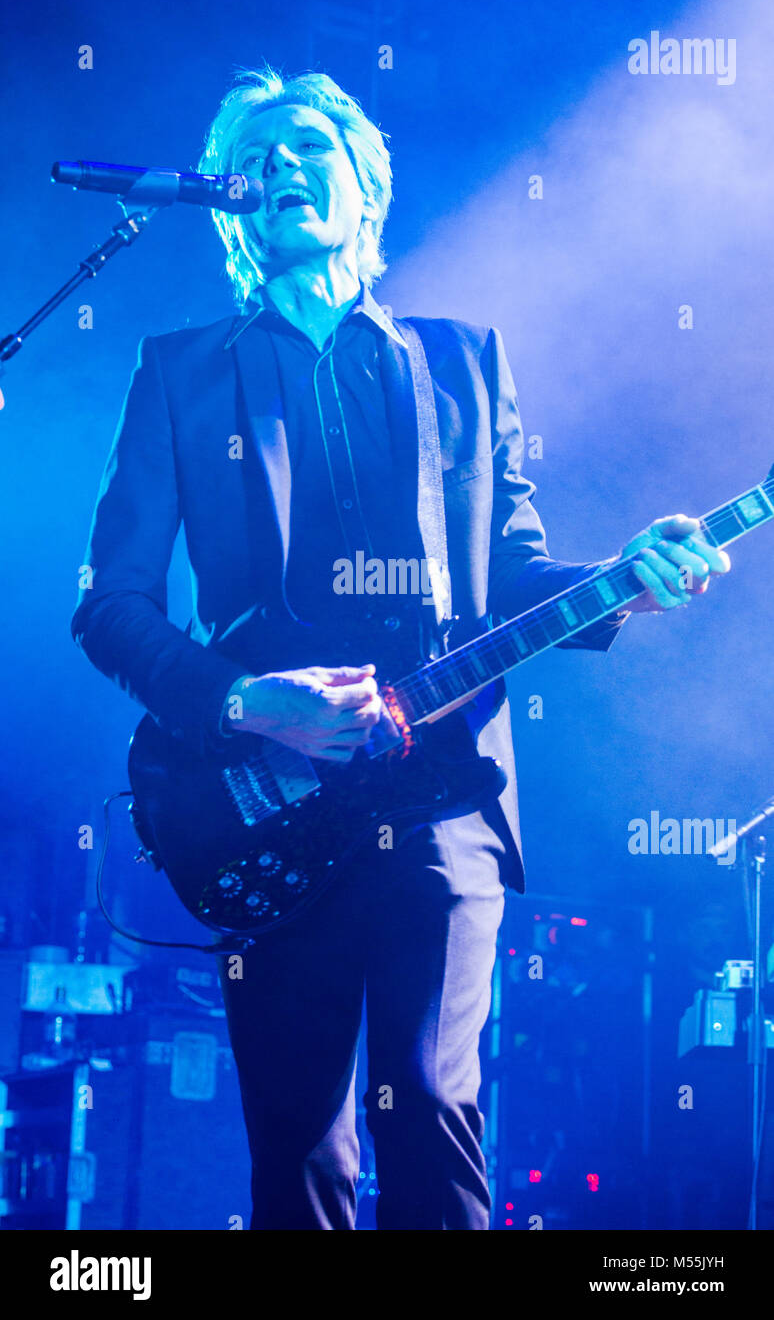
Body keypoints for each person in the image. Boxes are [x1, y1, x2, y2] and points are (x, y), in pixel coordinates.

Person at [71, 67, 730, 1230]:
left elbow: (513, 578)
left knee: (426, 1101)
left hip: (441, 793)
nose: (279, 165)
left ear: (364, 188)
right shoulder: (178, 375)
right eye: (254, 154)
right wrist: (247, 702)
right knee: (298, 1145)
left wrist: (623, 578)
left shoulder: (462, 361)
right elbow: (111, 606)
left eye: (307, 144)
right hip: (264, 803)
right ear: (230, 204)